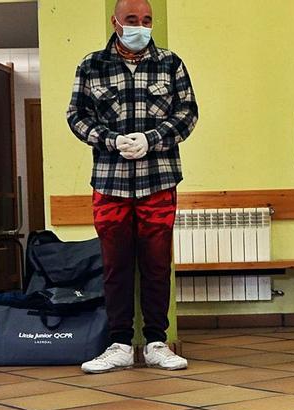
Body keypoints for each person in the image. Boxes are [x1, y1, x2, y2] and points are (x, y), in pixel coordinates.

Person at [67, 0, 197, 373]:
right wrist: (110, 140)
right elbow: (76, 116)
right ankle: (119, 344)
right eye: (133, 20)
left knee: (157, 265)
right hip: (109, 183)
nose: (141, 26)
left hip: (159, 181)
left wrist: (152, 139)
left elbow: (188, 113)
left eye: (147, 20)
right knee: (115, 267)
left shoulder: (170, 63)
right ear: (116, 22)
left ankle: (157, 341)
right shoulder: (91, 65)